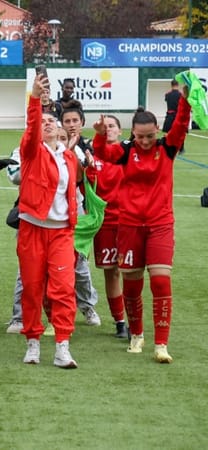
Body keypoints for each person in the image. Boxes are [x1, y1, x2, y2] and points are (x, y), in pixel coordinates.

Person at [91, 80, 190, 363]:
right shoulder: (124, 151)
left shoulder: (168, 147)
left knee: (160, 282)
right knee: (132, 286)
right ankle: (136, 335)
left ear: (156, 131)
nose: (145, 141)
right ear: (133, 133)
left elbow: (182, 124)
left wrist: (184, 101)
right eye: (140, 136)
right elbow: (103, 154)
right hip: (130, 225)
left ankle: (161, 344)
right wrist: (99, 136)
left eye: (149, 136)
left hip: (160, 225)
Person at [16, 73, 81, 369]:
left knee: (64, 289)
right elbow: (31, 128)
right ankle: (33, 343)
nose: (48, 124)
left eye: (51, 121)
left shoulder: (68, 157)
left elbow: (72, 195)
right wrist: (34, 98)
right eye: (43, 122)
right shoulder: (31, 152)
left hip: (61, 233)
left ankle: (62, 347)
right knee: (32, 288)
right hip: (32, 229)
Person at [85, 114, 127, 338]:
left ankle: (133, 320)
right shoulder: (94, 157)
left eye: (112, 126)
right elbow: (85, 189)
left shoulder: (127, 154)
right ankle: (120, 321)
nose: (108, 129)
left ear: (120, 131)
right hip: (105, 224)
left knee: (130, 271)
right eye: (105, 126)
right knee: (113, 273)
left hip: (129, 222)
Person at [60, 101, 102, 327]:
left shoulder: (88, 147)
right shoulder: (55, 144)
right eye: (67, 121)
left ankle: (87, 307)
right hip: (55, 215)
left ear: (82, 122)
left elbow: (81, 178)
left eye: (75, 120)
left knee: (80, 268)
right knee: (56, 269)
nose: (71, 124)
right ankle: (53, 314)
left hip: (80, 215)